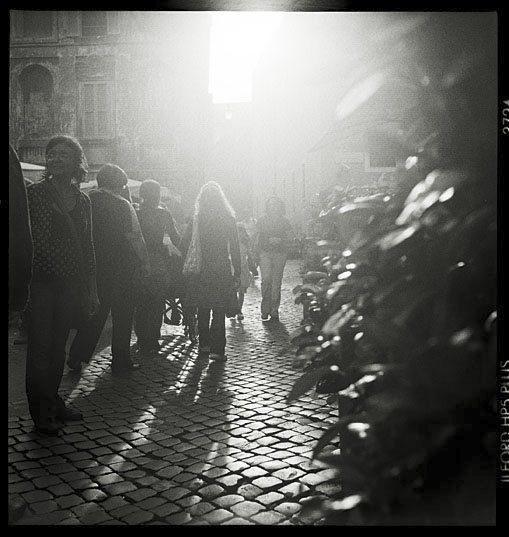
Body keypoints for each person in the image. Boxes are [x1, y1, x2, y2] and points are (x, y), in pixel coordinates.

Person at [25, 135, 99, 435]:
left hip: (70, 283)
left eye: (62, 155)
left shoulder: (83, 200)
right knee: (40, 347)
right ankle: (40, 411)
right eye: (51, 154)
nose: (55, 159)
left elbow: (89, 245)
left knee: (58, 347)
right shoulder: (36, 194)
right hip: (41, 281)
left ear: (76, 162)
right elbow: (28, 238)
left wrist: (92, 289)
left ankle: (53, 399)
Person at [68, 164, 150, 374]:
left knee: (95, 315)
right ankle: (121, 360)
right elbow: (135, 238)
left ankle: (76, 355)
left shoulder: (85, 199)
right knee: (123, 315)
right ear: (121, 184)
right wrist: (144, 264)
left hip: (93, 267)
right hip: (122, 268)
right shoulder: (123, 205)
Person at [179, 181, 241, 362]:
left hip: (201, 268)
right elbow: (235, 247)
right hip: (221, 267)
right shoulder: (228, 219)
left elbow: (184, 243)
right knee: (219, 308)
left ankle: (203, 344)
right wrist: (237, 271)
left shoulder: (197, 219)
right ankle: (218, 349)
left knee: (203, 307)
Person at [134, 179, 181, 353]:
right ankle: (152, 339)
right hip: (158, 261)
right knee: (156, 301)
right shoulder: (163, 214)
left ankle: (141, 336)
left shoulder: (135, 212)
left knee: (141, 302)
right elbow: (176, 237)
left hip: (138, 261)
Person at [253, 196, 294, 322]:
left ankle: (274, 310)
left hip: (280, 253)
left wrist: (281, 240)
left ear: (279, 206)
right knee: (266, 280)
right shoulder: (261, 221)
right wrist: (268, 241)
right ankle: (265, 308)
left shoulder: (285, 221)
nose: (273, 207)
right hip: (265, 252)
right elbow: (256, 237)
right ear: (267, 206)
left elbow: (290, 237)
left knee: (276, 283)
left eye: (275, 204)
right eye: (271, 204)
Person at [235, 222, 253, 321]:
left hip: (243, 268)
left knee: (241, 290)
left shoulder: (245, 243)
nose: (240, 234)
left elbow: (249, 255)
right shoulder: (231, 243)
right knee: (233, 290)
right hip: (233, 267)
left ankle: (239, 310)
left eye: (241, 231)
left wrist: (252, 268)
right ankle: (234, 308)